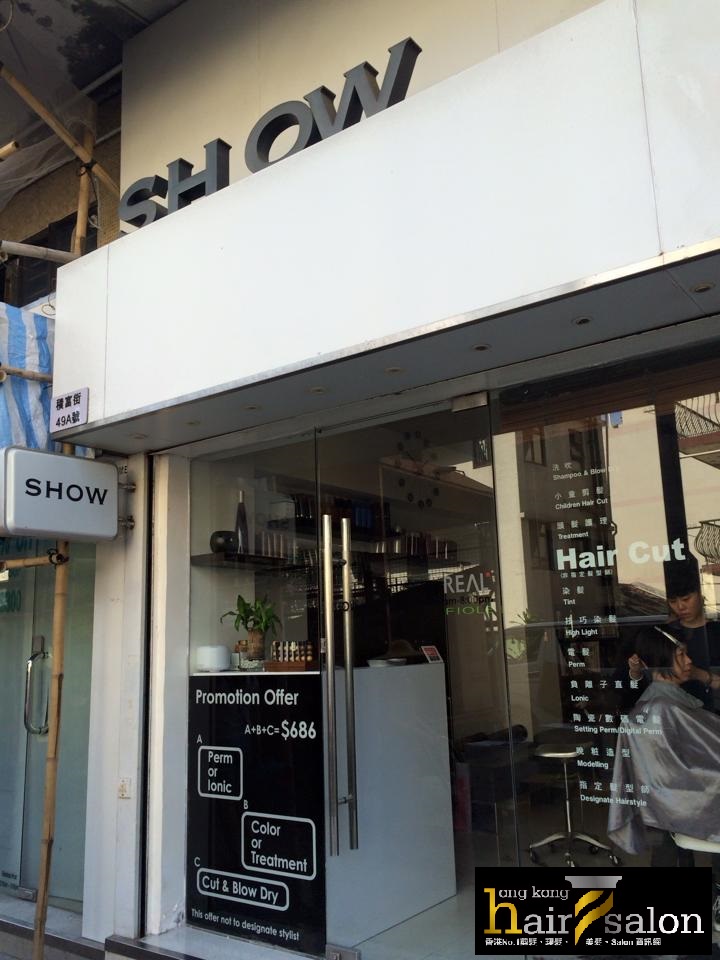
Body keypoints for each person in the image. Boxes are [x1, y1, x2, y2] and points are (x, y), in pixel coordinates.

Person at [608, 624, 720, 931]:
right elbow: (683, 772)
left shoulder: (665, 704)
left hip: (677, 803)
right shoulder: (661, 709)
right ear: (660, 660)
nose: (689, 661)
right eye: (681, 655)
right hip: (686, 804)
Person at [626, 558, 720, 711]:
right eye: (673, 601)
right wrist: (636, 672)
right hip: (673, 714)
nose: (680, 606)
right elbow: (634, 690)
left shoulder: (716, 631)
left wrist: (698, 674)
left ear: (700, 593)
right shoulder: (662, 634)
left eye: (686, 599)